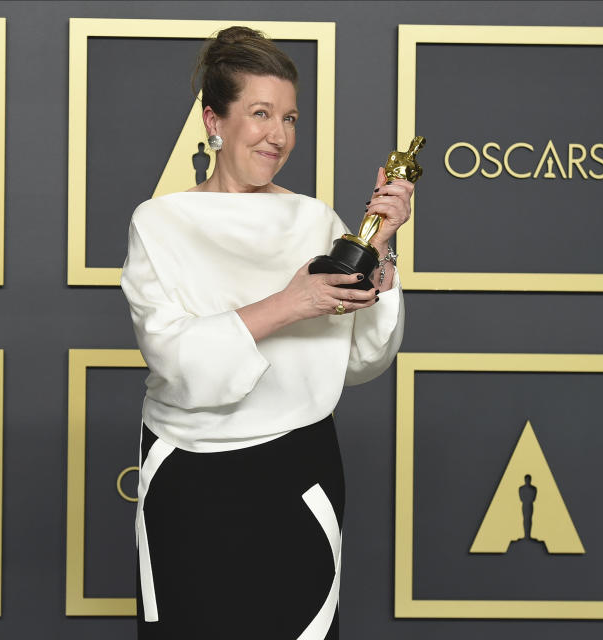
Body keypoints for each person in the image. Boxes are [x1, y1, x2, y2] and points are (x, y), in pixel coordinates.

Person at [121, 26, 413, 640]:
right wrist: (288, 303)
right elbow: (172, 356)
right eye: (259, 113)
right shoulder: (160, 222)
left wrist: (380, 251)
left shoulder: (316, 219)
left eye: (289, 117)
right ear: (214, 120)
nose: (277, 135)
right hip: (187, 475)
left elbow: (362, 357)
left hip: (297, 470)